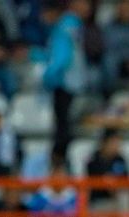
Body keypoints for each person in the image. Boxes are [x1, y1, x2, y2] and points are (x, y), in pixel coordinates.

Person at [43, 0, 89, 159]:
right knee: (64, 126)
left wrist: (49, 76)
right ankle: (61, 160)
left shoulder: (69, 25)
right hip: (69, 81)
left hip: (67, 81)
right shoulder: (71, 24)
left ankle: (61, 160)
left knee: (63, 126)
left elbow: (62, 54)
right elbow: (65, 54)